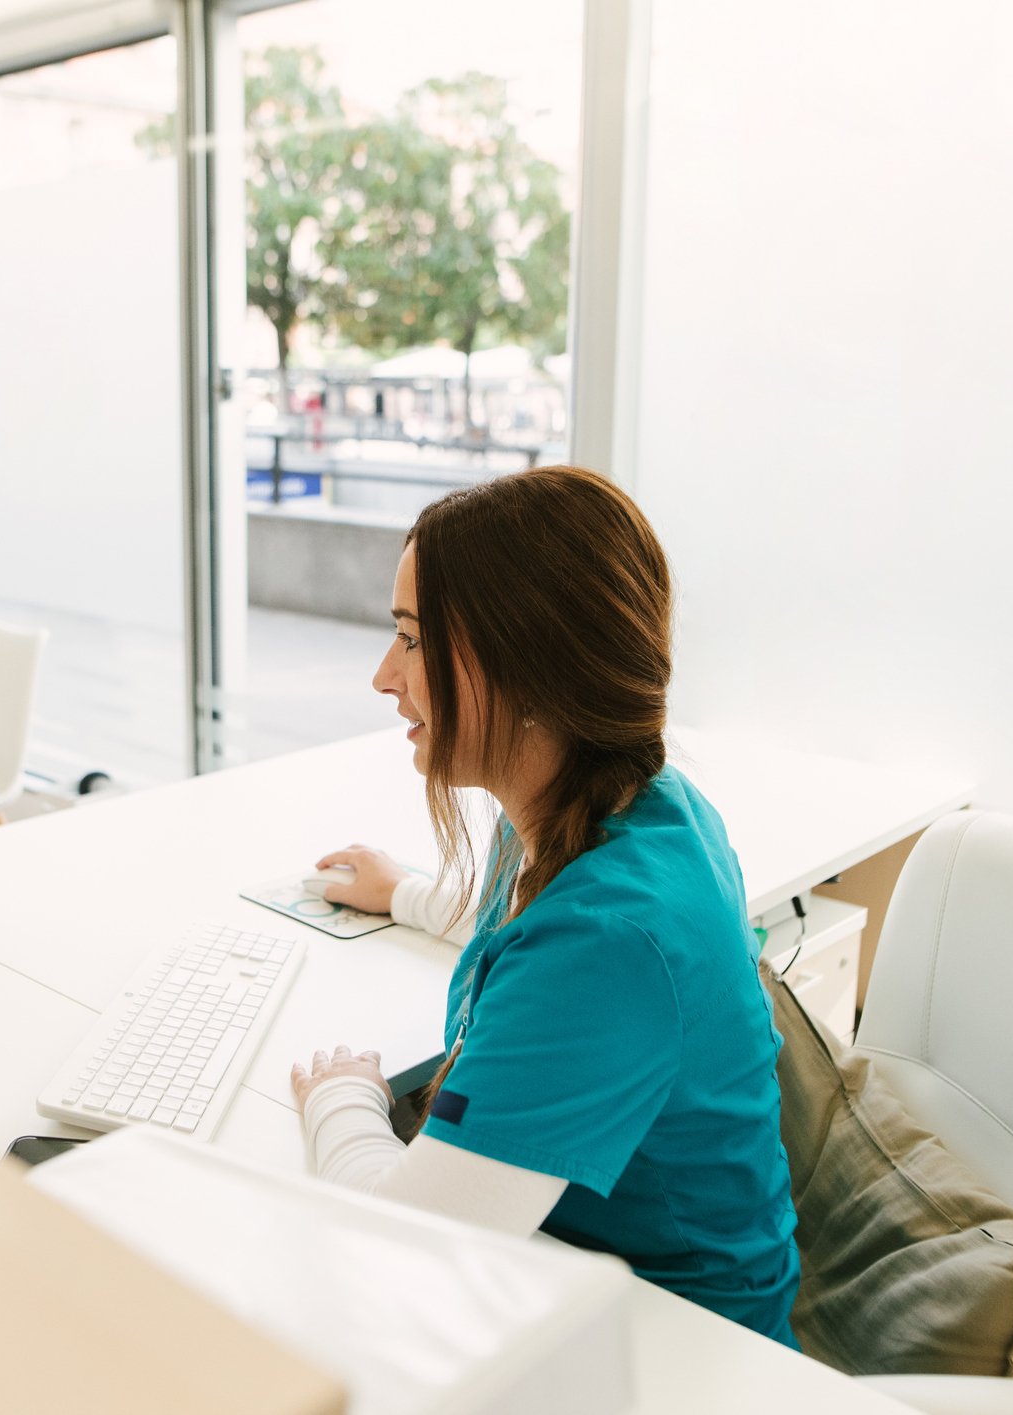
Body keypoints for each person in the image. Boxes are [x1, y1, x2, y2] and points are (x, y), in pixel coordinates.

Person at [289, 465, 801, 1347]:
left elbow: (400, 1248)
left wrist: (341, 1099)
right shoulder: (631, 803)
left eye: (411, 639)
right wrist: (406, 891)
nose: (383, 676)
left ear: (526, 661)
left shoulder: (604, 944)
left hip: (684, 1352)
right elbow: (530, 936)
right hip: (604, 1276)